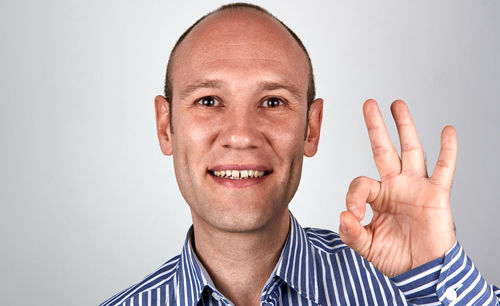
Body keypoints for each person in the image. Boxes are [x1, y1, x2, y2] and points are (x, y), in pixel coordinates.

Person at [100, 3, 499, 305]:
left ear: (312, 128)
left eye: (272, 102)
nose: (241, 135)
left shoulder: (406, 285)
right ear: (165, 126)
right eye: (208, 100)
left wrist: (435, 277)